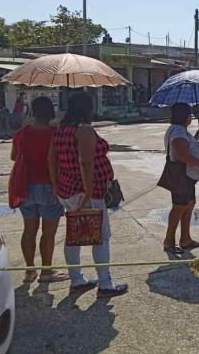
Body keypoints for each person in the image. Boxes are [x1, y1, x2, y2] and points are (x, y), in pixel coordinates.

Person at [49, 92, 128, 298]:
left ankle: (77, 279)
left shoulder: (61, 130)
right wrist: (87, 193)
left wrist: (56, 185)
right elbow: (86, 163)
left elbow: (52, 159)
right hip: (86, 192)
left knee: (74, 235)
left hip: (68, 189)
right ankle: (105, 283)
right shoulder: (83, 130)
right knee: (101, 237)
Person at [11, 97, 68, 284]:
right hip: (49, 186)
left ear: (32, 112)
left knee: (29, 230)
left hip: (25, 186)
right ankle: (46, 271)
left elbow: (14, 157)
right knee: (48, 233)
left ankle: (29, 270)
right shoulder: (55, 133)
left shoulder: (22, 133)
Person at [163, 103, 199, 255]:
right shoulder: (177, 131)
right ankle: (169, 241)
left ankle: (185, 239)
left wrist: (195, 138)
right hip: (180, 175)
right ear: (185, 116)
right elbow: (182, 155)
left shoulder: (181, 131)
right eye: (190, 115)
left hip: (186, 175)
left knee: (189, 204)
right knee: (179, 206)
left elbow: (186, 147)